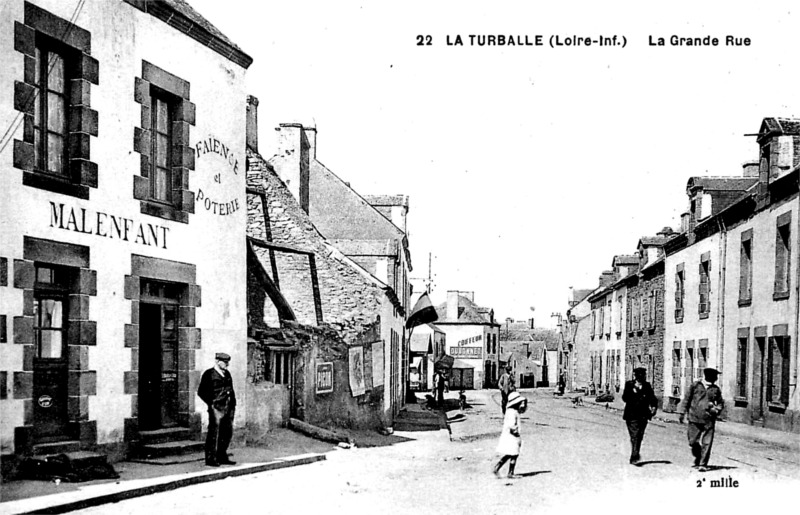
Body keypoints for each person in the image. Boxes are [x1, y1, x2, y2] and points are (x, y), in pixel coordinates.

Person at [679, 367, 725, 472]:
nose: (716, 378)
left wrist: (717, 410)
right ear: (708, 376)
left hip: (709, 419)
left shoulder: (716, 389)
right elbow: (687, 399)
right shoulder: (695, 386)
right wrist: (682, 412)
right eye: (715, 376)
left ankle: (703, 464)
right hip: (694, 417)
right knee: (692, 441)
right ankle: (699, 455)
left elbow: (721, 402)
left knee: (707, 442)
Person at [197, 352, 237, 467]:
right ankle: (210, 459)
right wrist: (212, 403)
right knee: (214, 433)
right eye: (224, 362)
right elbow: (201, 392)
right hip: (216, 409)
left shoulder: (227, 374)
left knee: (226, 433)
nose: (227, 365)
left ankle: (222, 456)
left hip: (228, 408)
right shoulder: (209, 374)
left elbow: (231, 389)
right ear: (217, 361)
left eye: (227, 362)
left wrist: (233, 404)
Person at [622, 367, 658, 465]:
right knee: (635, 435)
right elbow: (625, 398)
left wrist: (654, 407)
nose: (642, 377)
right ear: (636, 376)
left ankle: (635, 453)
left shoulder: (647, 386)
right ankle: (635, 455)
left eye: (643, 376)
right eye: (640, 376)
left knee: (640, 435)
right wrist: (634, 391)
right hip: (631, 415)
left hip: (643, 415)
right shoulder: (629, 385)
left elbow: (653, 398)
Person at [492, 391, 527, 479]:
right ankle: (510, 472)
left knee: (510, 453)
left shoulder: (510, 411)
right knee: (514, 454)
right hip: (512, 436)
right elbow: (512, 425)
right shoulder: (512, 412)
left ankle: (497, 468)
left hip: (509, 435)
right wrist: (516, 433)